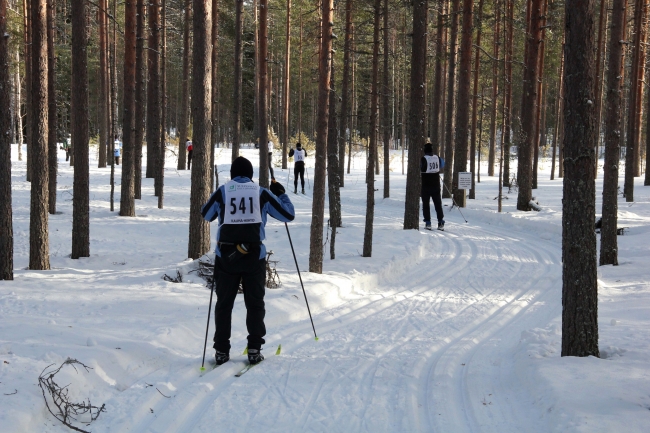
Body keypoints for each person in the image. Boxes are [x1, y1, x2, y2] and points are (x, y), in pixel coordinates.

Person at [201, 156, 295, 366]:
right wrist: (281, 194)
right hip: (254, 257)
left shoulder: (224, 191)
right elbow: (288, 215)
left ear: (232, 174)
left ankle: (222, 352)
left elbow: (206, 215)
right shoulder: (260, 192)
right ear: (250, 174)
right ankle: (254, 348)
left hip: (226, 257)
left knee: (224, 305)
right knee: (255, 304)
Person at [421, 142, 445, 230]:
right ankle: (440, 222)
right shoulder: (437, 158)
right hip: (436, 185)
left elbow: (420, 168)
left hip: (426, 185)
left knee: (426, 205)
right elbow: (442, 164)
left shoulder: (423, 159)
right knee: (438, 204)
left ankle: (428, 223)